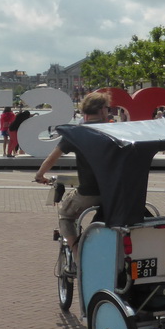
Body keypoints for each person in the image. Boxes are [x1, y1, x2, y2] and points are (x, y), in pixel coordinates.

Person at [34, 91, 111, 248]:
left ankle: (76, 255)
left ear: (84, 112)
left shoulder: (75, 133)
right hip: (113, 193)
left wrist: (40, 175)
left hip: (88, 192)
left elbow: (52, 158)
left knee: (66, 216)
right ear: (103, 110)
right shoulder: (114, 132)